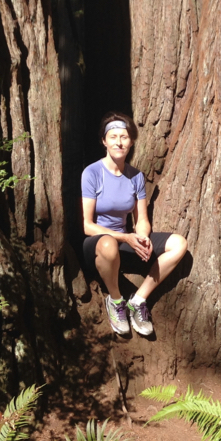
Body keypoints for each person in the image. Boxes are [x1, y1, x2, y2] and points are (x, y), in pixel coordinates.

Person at [81, 112, 187, 336]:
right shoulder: (92, 173)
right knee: (109, 244)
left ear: (131, 142)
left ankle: (138, 301)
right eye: (113, 136)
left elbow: (141, 221)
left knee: (179, 244)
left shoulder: (136, 176)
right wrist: (126, 237)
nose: (119, 142)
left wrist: (142, 237)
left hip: (124, 241)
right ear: (104, 141)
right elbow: (87, 226)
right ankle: (116, 301)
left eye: (125, 137)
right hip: (98, 244)